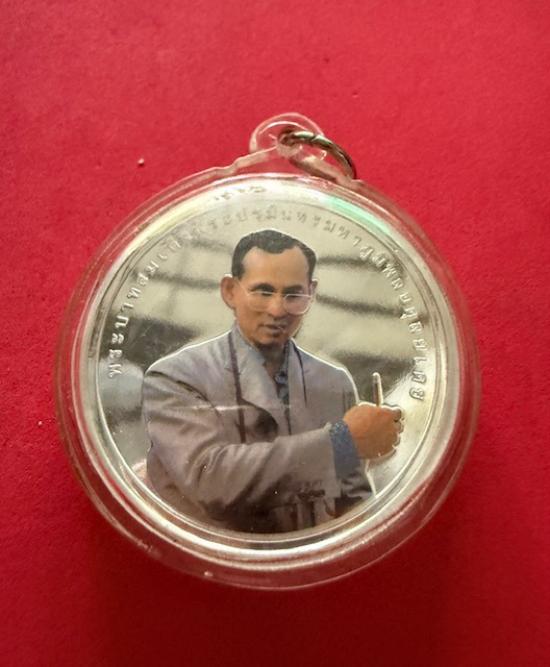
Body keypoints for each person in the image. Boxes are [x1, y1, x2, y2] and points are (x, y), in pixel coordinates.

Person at [142, 229, 402, 533]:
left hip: (313, 558)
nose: (278, 310)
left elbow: (351, 500)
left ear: (311, 293)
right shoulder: (175, 377)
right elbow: (211, 481)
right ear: (230, 291)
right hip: (211, 556)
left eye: (293, 295)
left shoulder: (334, 382)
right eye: (263, 292)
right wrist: (342, 441)